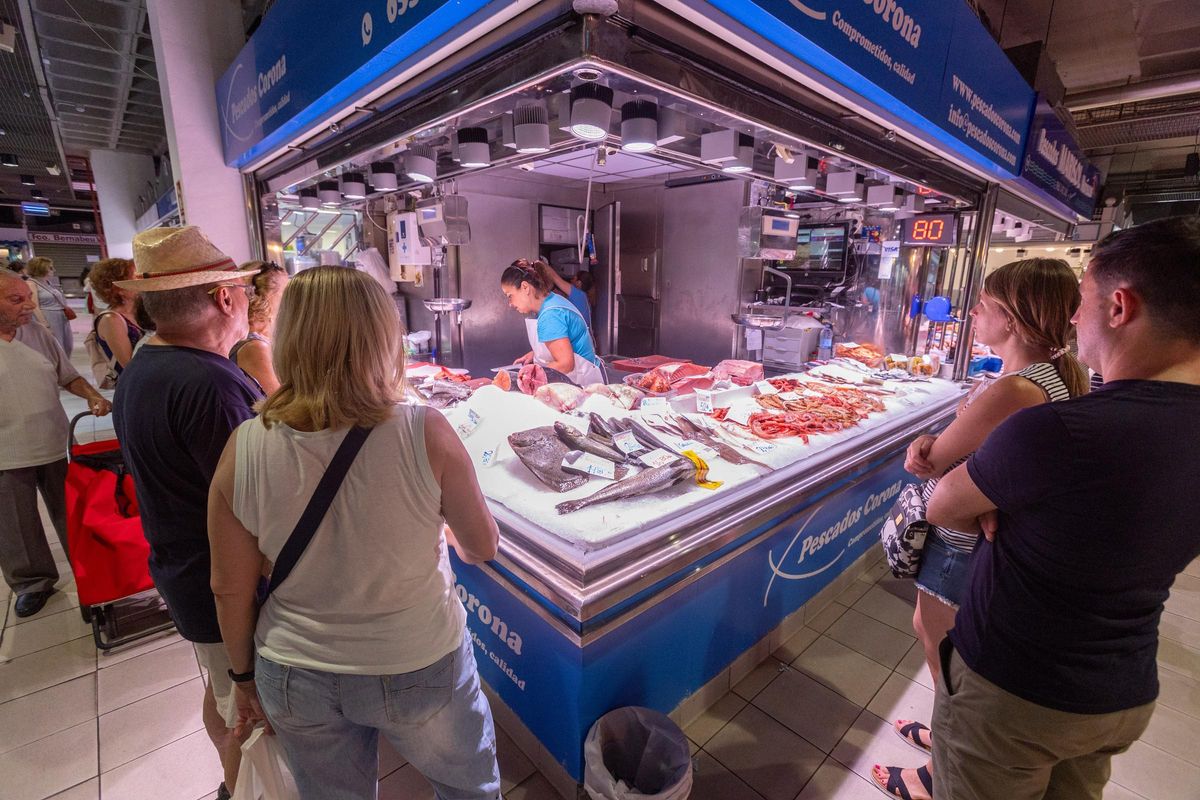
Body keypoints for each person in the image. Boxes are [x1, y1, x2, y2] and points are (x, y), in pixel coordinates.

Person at [922, 217, 1200, 800]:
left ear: (1119, 307)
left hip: (1018, 691)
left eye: (1085, 301)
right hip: (1122, 690)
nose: (1074, 318)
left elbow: (943, 507)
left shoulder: (1056, 431)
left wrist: (993, 506)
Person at [208, 266, 501, 799]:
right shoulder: (425, 429)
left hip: (296, 672)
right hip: (417, 660)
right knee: (468, 791)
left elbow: (228, 588)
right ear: (383, 337)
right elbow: (482, 546)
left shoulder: (243, 447)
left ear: (288, 340)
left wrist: (242, 678)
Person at [873, 258, 1089, 800]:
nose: (972, 313)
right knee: (949, 646)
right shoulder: (1052, 376)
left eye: (985, 306)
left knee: (942, 645)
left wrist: (930, 448)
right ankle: (946, 739)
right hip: (990, 538)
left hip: (960, 544)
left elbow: (934, 461)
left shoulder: (1015, 388)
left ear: (1013, 319)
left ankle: (942, 766)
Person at [112, 227, 263, 800]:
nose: (248, 300)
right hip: (222, 585)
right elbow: (253, 504)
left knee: (222, 692)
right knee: (249, 713)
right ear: (224, 297)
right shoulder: (208, 383)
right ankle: (239, 791)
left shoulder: (147, 364)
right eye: (244, 291)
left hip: (182, 569)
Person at [0, 270, 110, 618]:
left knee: (73, 515)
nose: (29, 304)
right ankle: (32, 583)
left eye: (27, 296)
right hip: (6, 451)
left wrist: (92, 396)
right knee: (16, 524)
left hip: (54, 440)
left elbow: (69, 375)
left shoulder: (37, 333)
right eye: (16, 300)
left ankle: (89, 573)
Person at [501, 261, 604, 385]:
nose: (510, 304)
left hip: (582, 385)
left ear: (525, 287)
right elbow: (565, 341)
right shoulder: (552, 301)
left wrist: (531, 375)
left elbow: (566, 364)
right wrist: (535, 354)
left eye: (510, 296)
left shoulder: (550, 314)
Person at [229, 261, 288, 394]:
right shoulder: (255, 348)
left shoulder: (264, 340)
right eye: (286, 292)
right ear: (266, 298)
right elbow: (279, 402)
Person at [88, 258, 145, 378]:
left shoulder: (139, 312)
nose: (142, 282)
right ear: (118, 288)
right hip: (137, 385)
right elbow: (130, 365)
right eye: (136, 278)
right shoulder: (111, 320)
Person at [23, 256, 75, 355]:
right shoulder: (31, 283)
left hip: (61, 319)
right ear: (40, 268)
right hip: (49, 318)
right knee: (55, 347)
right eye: (50, 268)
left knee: (66, 346)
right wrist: (45, 325)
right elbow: (34, 306)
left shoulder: (48, 283)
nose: (53, 270)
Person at [526, 258, 594, 330]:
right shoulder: (584, 301)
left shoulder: (580, 295)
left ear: (579, 283)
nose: (571, 280)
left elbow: (555, 278)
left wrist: (541, 264)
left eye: (574, 278)